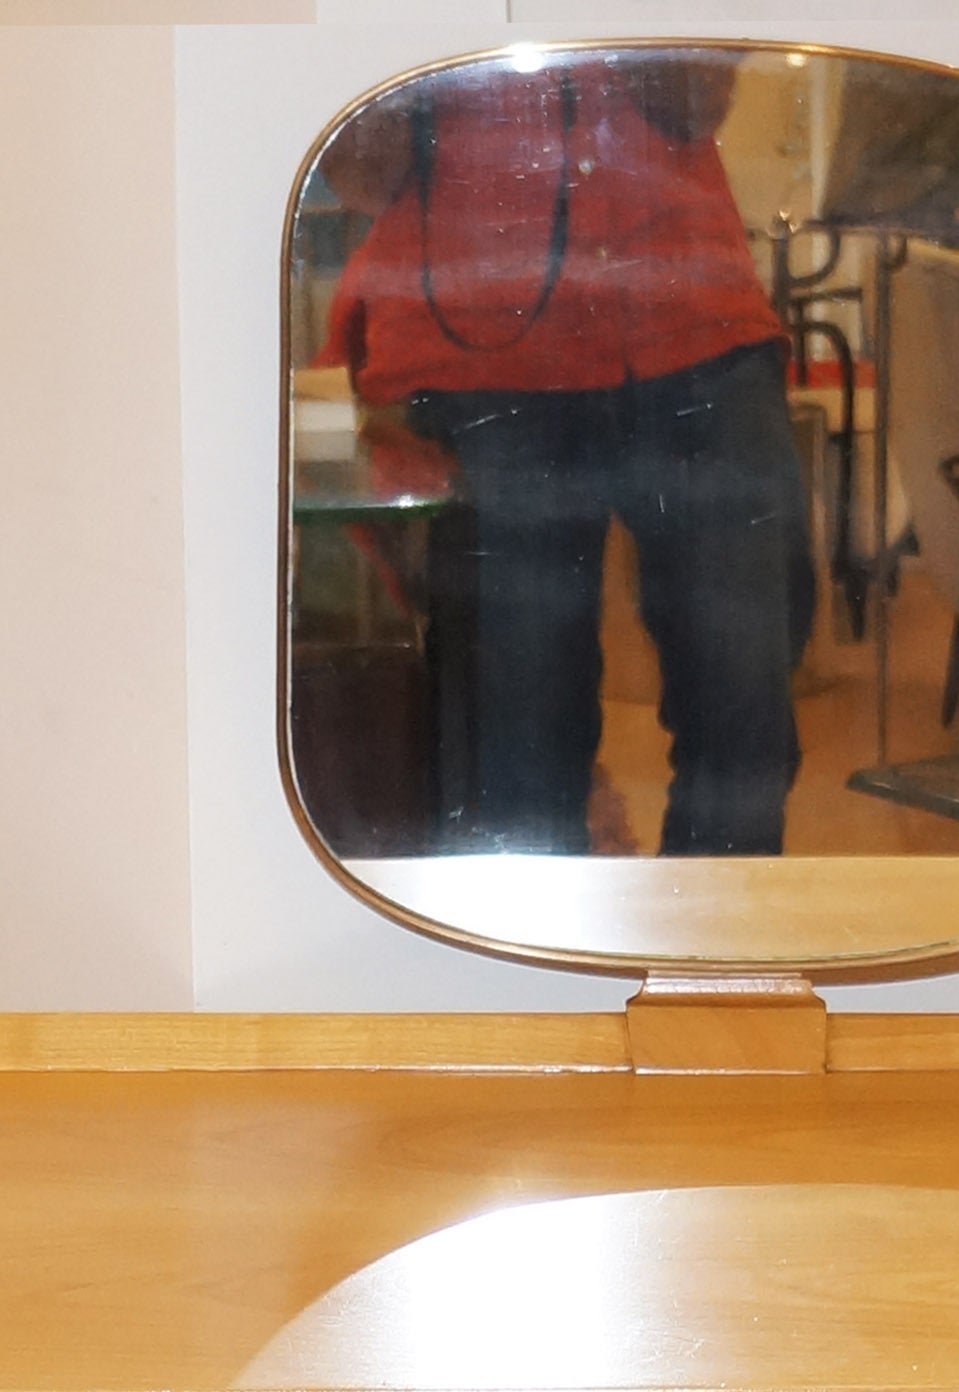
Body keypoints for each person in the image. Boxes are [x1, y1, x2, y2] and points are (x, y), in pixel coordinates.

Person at [321, 51, 817, 859]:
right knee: (521, 733)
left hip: (690, 322)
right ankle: (541, 979)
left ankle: (715, 967)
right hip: (485, 346)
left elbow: (692, 103)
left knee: (744, 712)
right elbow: (364, 173)